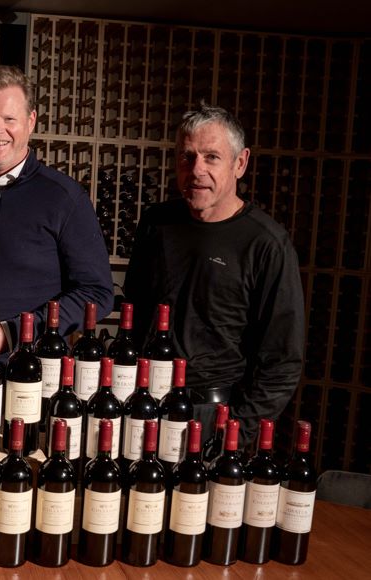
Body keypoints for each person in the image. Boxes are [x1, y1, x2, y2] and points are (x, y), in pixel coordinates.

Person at [124, 103, 304, 449]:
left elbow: (282, 362)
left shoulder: (267, 244)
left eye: (211, 157)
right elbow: (136, 316)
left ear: (240, 163)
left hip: (215, 415)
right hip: (145, 405)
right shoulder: (157, 224)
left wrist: (236, 433)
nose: (196, 170)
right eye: (187, 156)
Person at [0, 64, 113, 356]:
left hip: (31, 370)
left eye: (9, 119)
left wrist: (13, 332)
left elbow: (97, 295)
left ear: (31, 121)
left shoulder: (65, 197)